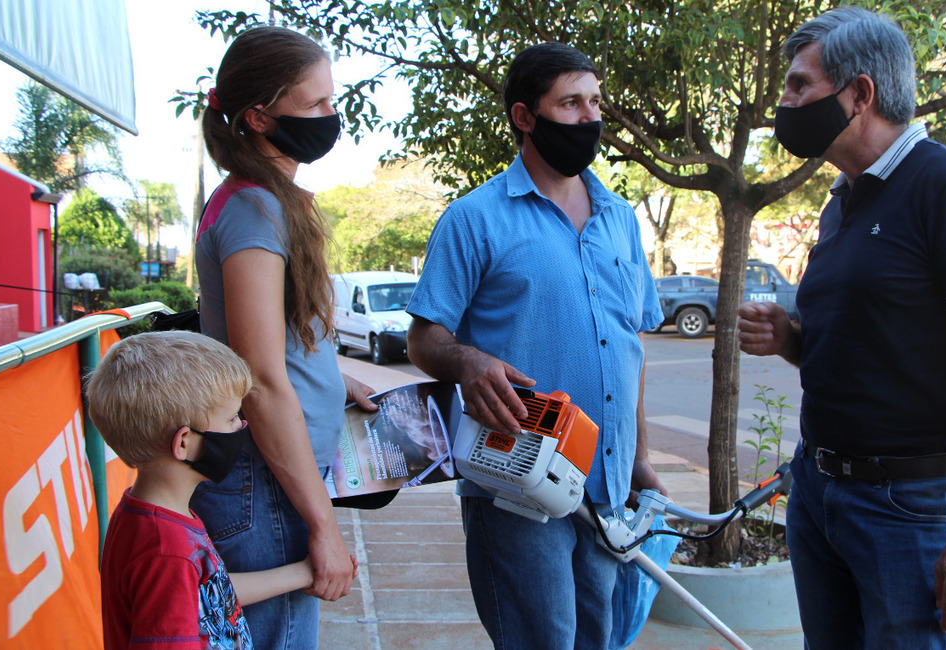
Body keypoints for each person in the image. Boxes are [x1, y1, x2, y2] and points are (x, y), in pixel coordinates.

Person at [738, 8, 946, 648]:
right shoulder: (840, 203)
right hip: (819, 491)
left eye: (798, 86)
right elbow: (861, 348)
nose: (783, 104)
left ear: (860, 93)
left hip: (907, 508)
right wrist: (789, 338)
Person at [405, 42, 668, 649]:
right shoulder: (475, 218)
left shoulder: (622, 219)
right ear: (525, 117)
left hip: (605, 486)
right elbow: (424, 338)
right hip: (518, 484)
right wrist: (467, 361)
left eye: (595, 102)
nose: (589, 117)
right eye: (570, 102)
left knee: (596, 638)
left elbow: (629, 349)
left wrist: (639, 457)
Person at [191, 26, 377, 649]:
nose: (333, 116)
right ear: (259, 118)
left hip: (270, 480)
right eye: (316, 104)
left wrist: (332, 378)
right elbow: (260, 379)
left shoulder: (263, 200)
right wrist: (321, 525)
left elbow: (278, 348)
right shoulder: (254, 208)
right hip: (264, 485)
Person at [88, 331, 349, 648]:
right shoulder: (164, 549)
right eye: (230, 419)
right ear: (184, 442)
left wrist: (305, 573)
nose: (241, 427)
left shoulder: (156, 515)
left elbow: (207, 594)